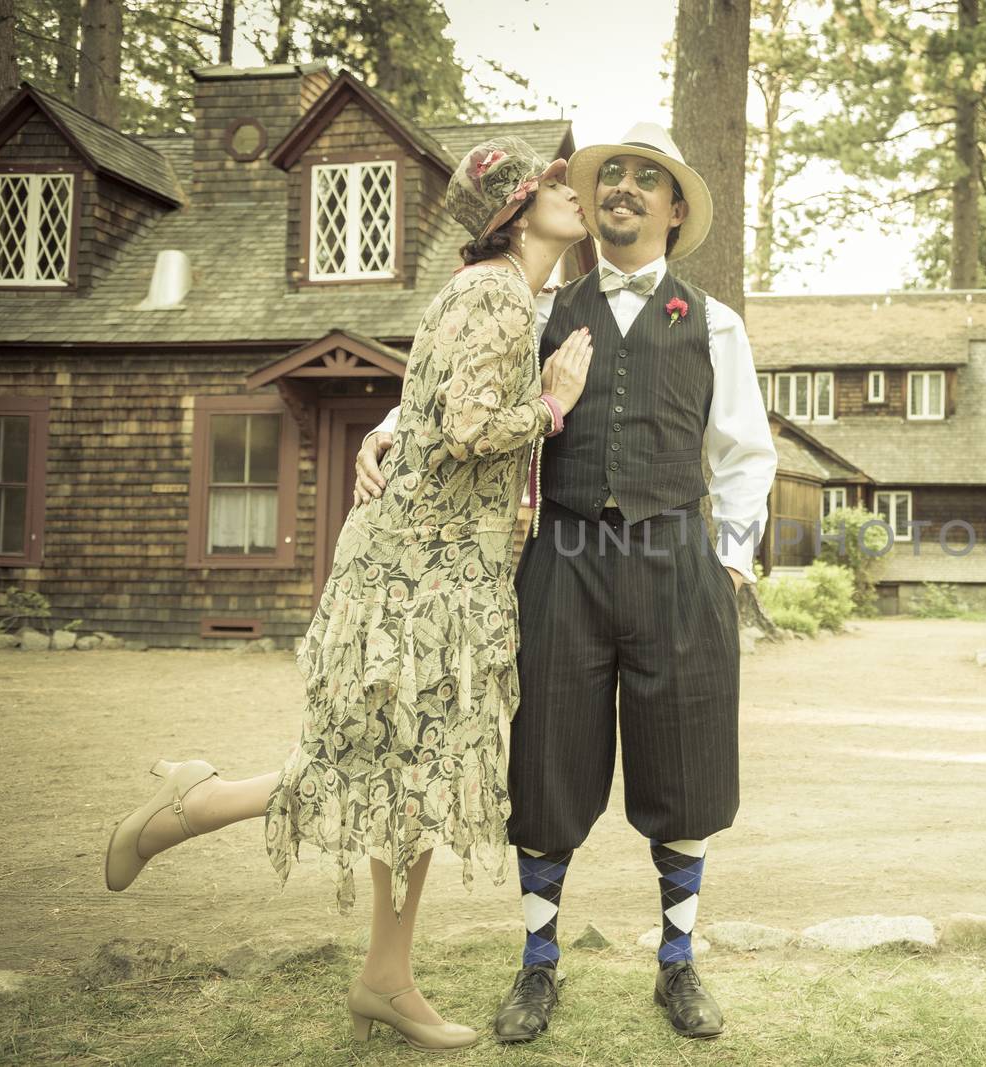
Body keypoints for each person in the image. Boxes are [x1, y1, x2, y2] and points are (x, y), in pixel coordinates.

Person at [102, 136, 594, 1052]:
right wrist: (556, 401)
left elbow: (430, 401)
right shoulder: (494, 292)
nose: (571, 192)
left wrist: (388, 431)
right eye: (552, 183)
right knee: (387, 771)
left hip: (445, 573)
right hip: (417, 579)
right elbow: (466, 425)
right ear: (516, 210)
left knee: (406, 777)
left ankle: (382, 973)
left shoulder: (510, 297)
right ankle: (199, 804)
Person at [352, 121, 777, 1043]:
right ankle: (538, 964)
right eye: (608, 176)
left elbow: (746, 454)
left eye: (643, 179)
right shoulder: (543, 305)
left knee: (686, 767)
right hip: (561, 564)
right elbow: (466, 378)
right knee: (543, 764)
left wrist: (734, 560)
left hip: (676, 562)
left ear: (672, 208)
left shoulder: (713, 321)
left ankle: (678, 963)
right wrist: (387, 426)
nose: (621, 188)